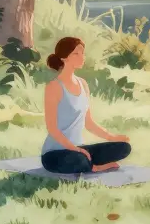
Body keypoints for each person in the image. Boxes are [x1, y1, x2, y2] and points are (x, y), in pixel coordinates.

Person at [41, 37, 132, 174]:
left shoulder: (83, 84)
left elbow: (88, 123)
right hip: (55, 153)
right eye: (76, 54)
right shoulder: (54, 86)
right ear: (64, 58)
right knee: (80, 160)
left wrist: (112, 137)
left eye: (82, 53)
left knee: (124, 147)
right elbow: (52, 129)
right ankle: (94, 167)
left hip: (80, 149)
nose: (82, 57)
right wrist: (75, 149)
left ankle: (88, 162)